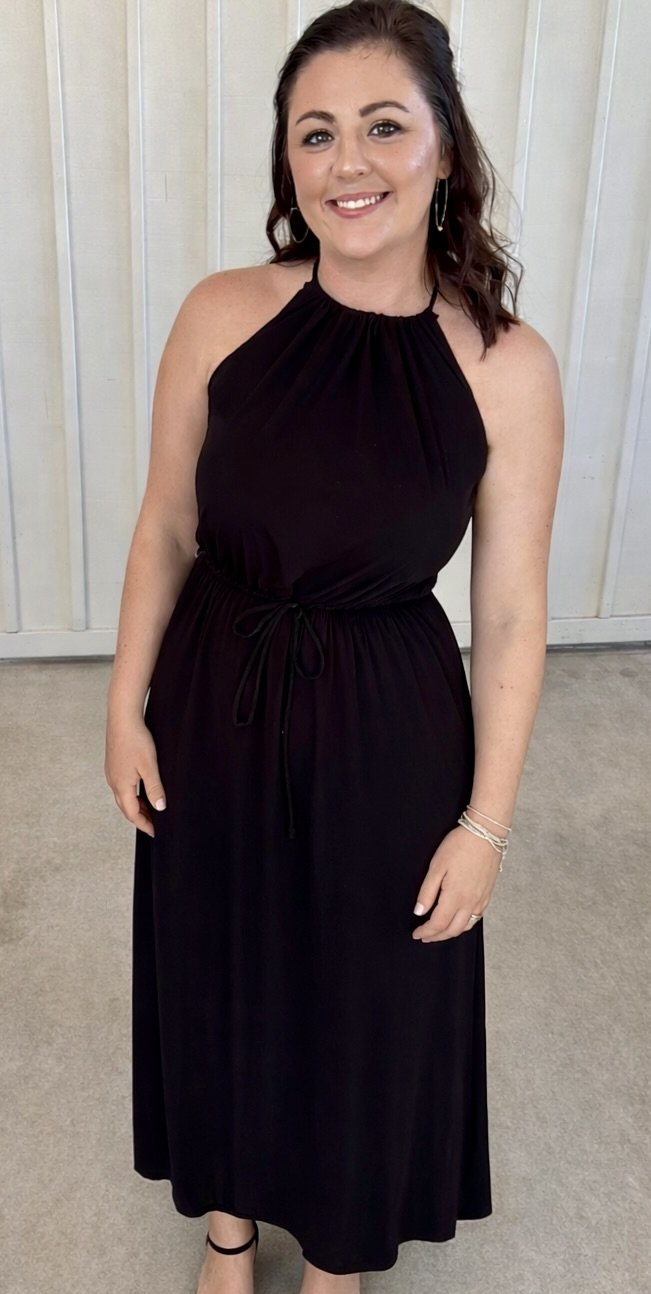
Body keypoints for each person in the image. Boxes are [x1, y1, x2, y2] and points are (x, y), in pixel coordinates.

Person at [104, 2, 564, 1291]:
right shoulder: (222, 313)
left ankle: (339, 1257)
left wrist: (485, 824)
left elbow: (515, 613)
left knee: (366, 994)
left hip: (389, 725)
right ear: (288, 163)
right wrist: (124, 701)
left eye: (382, 127)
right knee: (222, 970)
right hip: (217, 696)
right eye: (317, 134)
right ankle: (232, 1229)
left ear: (444, 151)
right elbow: (166, 524)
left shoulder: (505, 367)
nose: (347, 163)